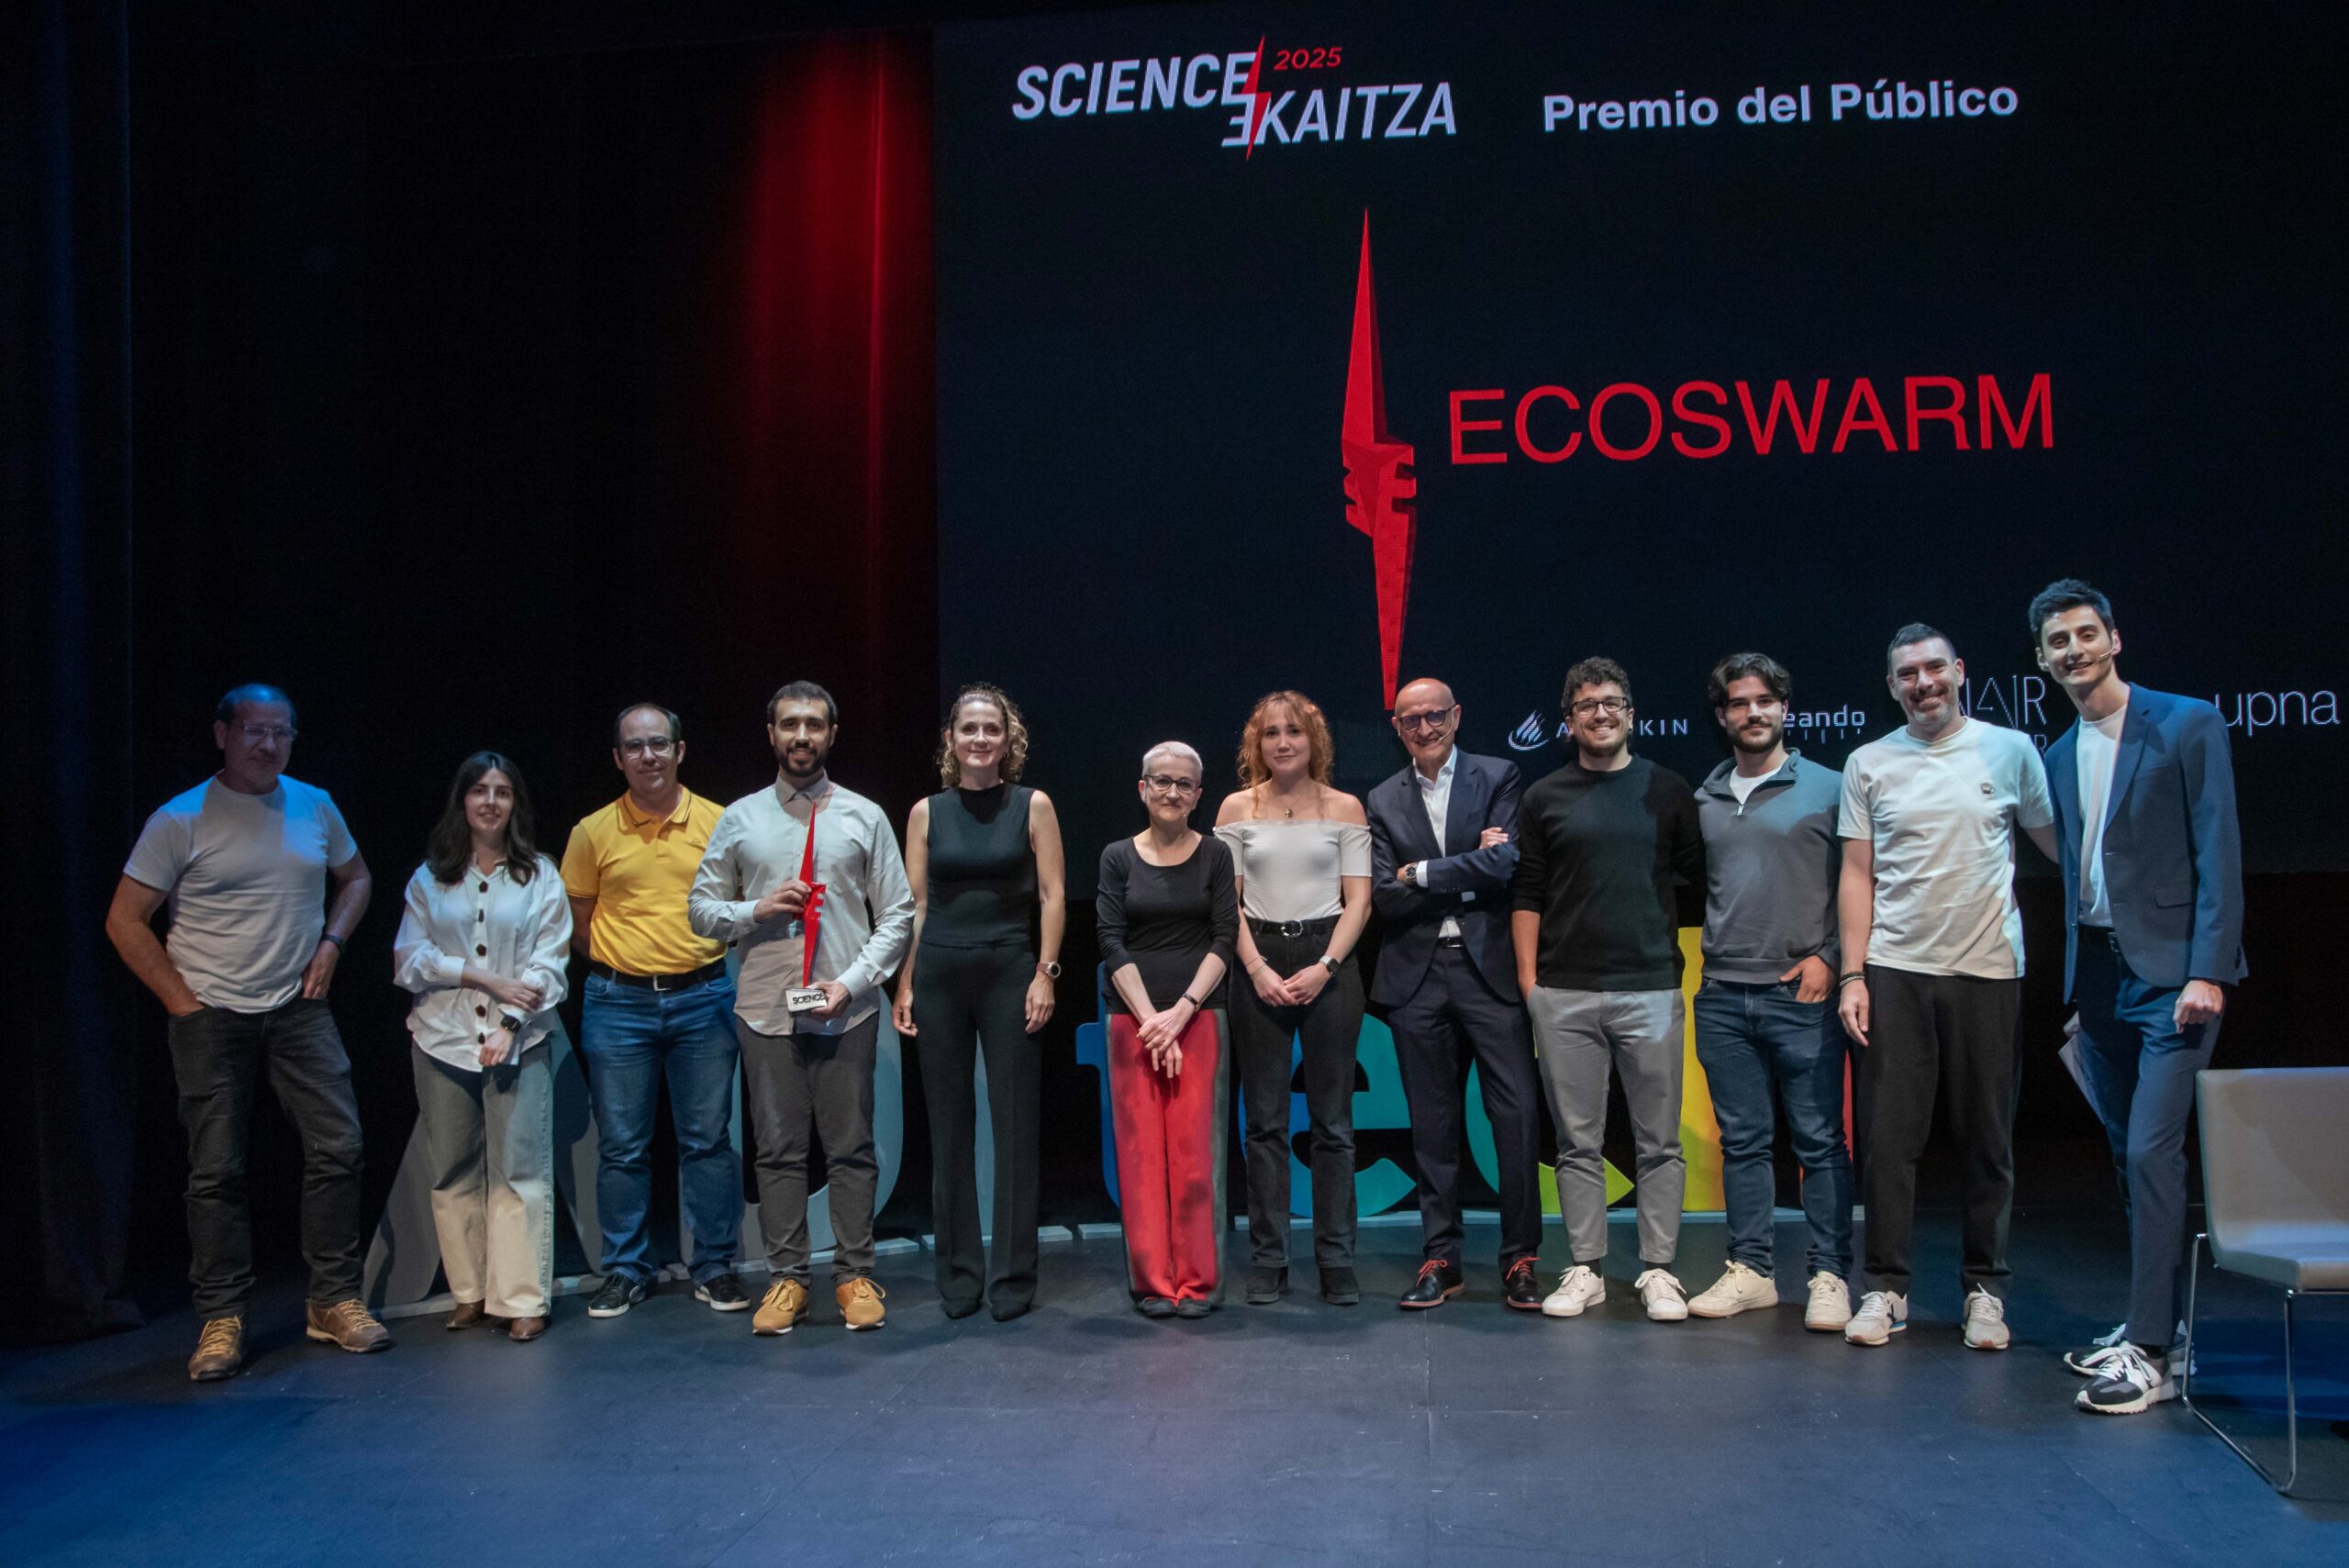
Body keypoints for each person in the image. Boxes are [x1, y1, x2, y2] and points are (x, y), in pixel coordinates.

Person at [105, 684, 390, 1380]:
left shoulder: (314, 804)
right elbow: (124, 919)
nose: (268, 745)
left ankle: (332, 1299)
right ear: (223, 734)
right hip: (210, 1013)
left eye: (281, 732)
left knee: (339, 1146)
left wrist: (331, 944)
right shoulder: (181, 818)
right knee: (216, 1170)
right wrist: (181, 1001)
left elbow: (356, 878)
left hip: (298, 1007)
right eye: (255, 731)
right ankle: (222, 1316)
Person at [2030, 581, 2244, 1414]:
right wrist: (2084, 986)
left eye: (2086, 634)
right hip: (2101, 976)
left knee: (2155, 1153)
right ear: (2043, 659)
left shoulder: (2186, 723)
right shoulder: (2058, 752)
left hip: (2174, 979)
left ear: (2113, 638)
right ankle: (2156, 1325)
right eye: (2058, 642)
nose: (2074, 650)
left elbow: (2218, 850)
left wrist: (2208, 969)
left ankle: (2152, 1353)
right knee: (2128, 1158)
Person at [1837, 624, 2056, 1351]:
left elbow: (2060, 841)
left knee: (1988, 1141)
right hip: (1896, 970)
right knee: (1887, 1142)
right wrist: (1853, 973)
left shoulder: (2010, 749)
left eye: (1934, 667)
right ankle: (1886, 1288)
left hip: (1988, 970)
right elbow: (1857, 875)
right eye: (1908, 673)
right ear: (1892, 686)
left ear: (1959, 670)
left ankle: (1985, 1290)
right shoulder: (1869, 762)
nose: (1923, 682)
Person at [689, 682, 914, 1338]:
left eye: (814, 724)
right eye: (790, 724)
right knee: (779, 1151)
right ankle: (786, 1278)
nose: (802, 736)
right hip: (766, 1007)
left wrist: (853, 981)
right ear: (771, 733)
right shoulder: (741, 818)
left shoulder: (864, 815)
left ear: (832, 734)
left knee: (851, 1149)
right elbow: (700, 910)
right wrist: (754, 909)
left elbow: (898, 913)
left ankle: (854, 1275)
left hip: (846, 1007)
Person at [1510, 657, 1706, 1324]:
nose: (1600, 713)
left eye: (1612, 702)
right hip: (1564, 994)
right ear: (1568, 721)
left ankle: (1659, 1269)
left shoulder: (1668, 789)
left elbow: (1697, 881)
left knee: (1660, 1143)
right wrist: (1531, 984)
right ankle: (1587, 1268)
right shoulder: (1543, 797)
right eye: (1587, 705)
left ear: (1630, 713)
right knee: (1576, 1144)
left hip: (1650, 989)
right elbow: (1527, 893)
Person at [560, 704, 748, 1318]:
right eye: (635, 746)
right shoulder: (592, 831)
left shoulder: (721, 822)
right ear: (618, 758)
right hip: (619, 1003)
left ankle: (715, 1266)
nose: (648, 756)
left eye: (659, 744)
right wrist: (631, 965)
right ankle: (625, 1269)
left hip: (705, 997)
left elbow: (740, 905)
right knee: (621, 1147)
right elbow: (578, 922)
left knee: (708, 1141)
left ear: (680, 750)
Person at [1685, 654, 1854, 1331]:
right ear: (1721, 715)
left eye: (1764, 700)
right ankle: (1751, 1269)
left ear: (1785, 708)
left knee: (1820, 1141)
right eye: (1738, 702)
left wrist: (1832, 959)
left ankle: (1830, 1274)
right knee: (1743, 1142)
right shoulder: (1705, 795)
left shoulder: (1832, 787)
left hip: (1802, 993)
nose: (1752, 712)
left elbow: (1862, 883)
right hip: (1723, 994)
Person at [1365, 678, 1545, 1313]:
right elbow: (1384, 896)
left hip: (1488, 970)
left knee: (1516, 1117)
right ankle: (1441, 1258)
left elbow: (1504, 865)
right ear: (1397, 727)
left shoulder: (1497, 775)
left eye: (1435, 715)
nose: (1425, 727)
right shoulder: (1382, 797)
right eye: (1411, 719)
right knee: (1432, 1125)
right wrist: (1465, 869)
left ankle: (1520, 1259)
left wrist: (1420, 872)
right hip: (1415, 976)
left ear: (1456, 715)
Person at [893, 684, 1066, 1321]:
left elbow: (1052, 895)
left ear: (1008, 739)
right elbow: (915, 904)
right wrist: (905, 981)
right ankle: (960, 1277)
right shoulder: (926, 812)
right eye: (969, 728)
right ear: (951, 739)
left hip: (1010, 973)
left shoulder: (1032, 804)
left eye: (992, 728)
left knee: (1015, 1128)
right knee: (949, 1129)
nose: (980, 738)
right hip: (938, 974)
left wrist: (1046, 973)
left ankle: (1013, 1277)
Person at [391, 752, 571, 1342]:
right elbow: (409, 960)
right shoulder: (431, 877)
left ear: (515, 804)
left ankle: (521, 1298)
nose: (490, 802)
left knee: (519, 1170)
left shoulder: (539, 875)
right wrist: (478, 976)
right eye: (480, 791)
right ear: (462, 801)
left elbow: (550, 962)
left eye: (502, 792)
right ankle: (469, 1292)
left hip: (519, 1039)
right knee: (453, 1171)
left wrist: (509, 1023)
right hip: (442, 1040)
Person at [1214, 690, 1374, 1307]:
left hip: (1328, 958)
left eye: (1295, 732)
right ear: (1257, 743)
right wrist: (1254, 968)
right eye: (1272, 733)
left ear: (1314, 741)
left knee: (1333, 1123)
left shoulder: (1344, 807)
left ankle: (1336, 1260)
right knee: (1265, 1124)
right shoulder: (1236, 808)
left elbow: (1359, 901)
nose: (1283, 742)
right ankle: (1270, 1259)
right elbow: (1226, 903)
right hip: (1256, 957)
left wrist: (1325, 966)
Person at [1097, 741, 1239, 1318]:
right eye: (1162, 781)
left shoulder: (1216, 855)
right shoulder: (1116, 856)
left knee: (1196, 1156)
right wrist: (1151, 1021)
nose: (1172, 792)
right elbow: (1110, 939)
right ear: (1143, 788)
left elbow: (1225, 937)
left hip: (1199, 1017)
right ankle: (1154, 1282)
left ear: (1198, 795)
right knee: (1140, 1157)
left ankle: (1199, 1282)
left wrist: (1181, 1012)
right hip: (1131, 1022)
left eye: (1184, 784)